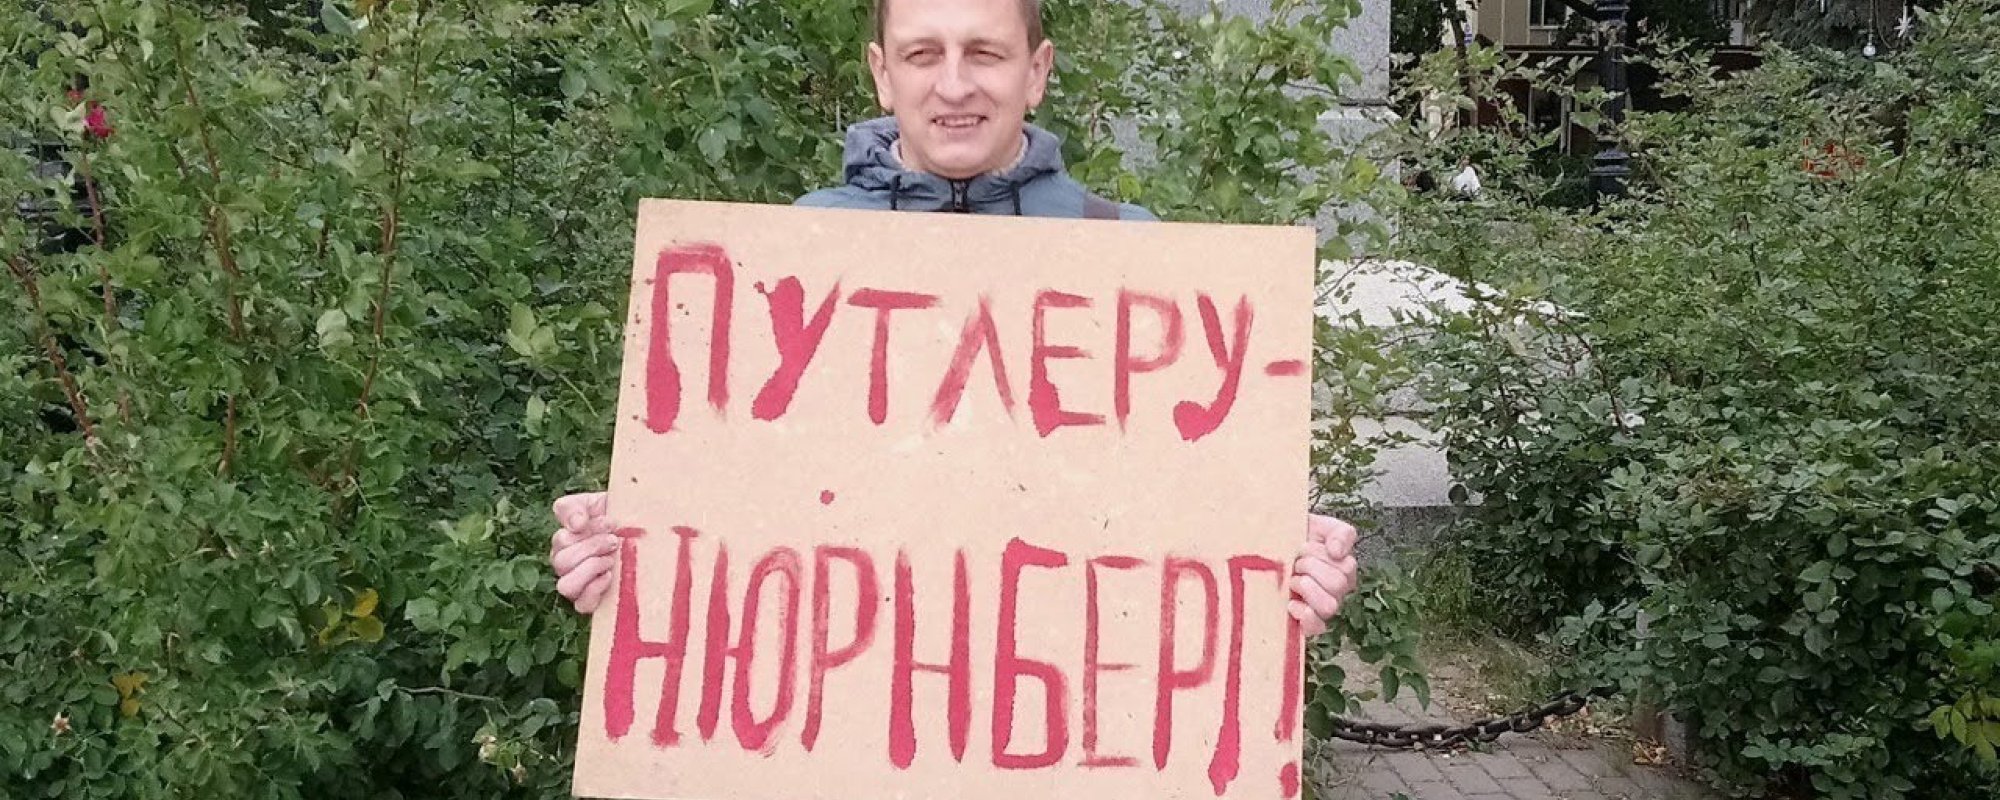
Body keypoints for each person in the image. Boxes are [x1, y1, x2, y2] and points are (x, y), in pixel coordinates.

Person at [548, 0, 1360, 638]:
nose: (955, 84)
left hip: (1061, 731)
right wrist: (633, 538)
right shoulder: (786, 261)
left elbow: (1190, 512)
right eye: (922, 54)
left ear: (1037, 72)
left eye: (985, 53)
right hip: (850, 723)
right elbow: (735, 496)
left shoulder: (1136, 262)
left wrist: (1281, 562)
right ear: (882, 73)